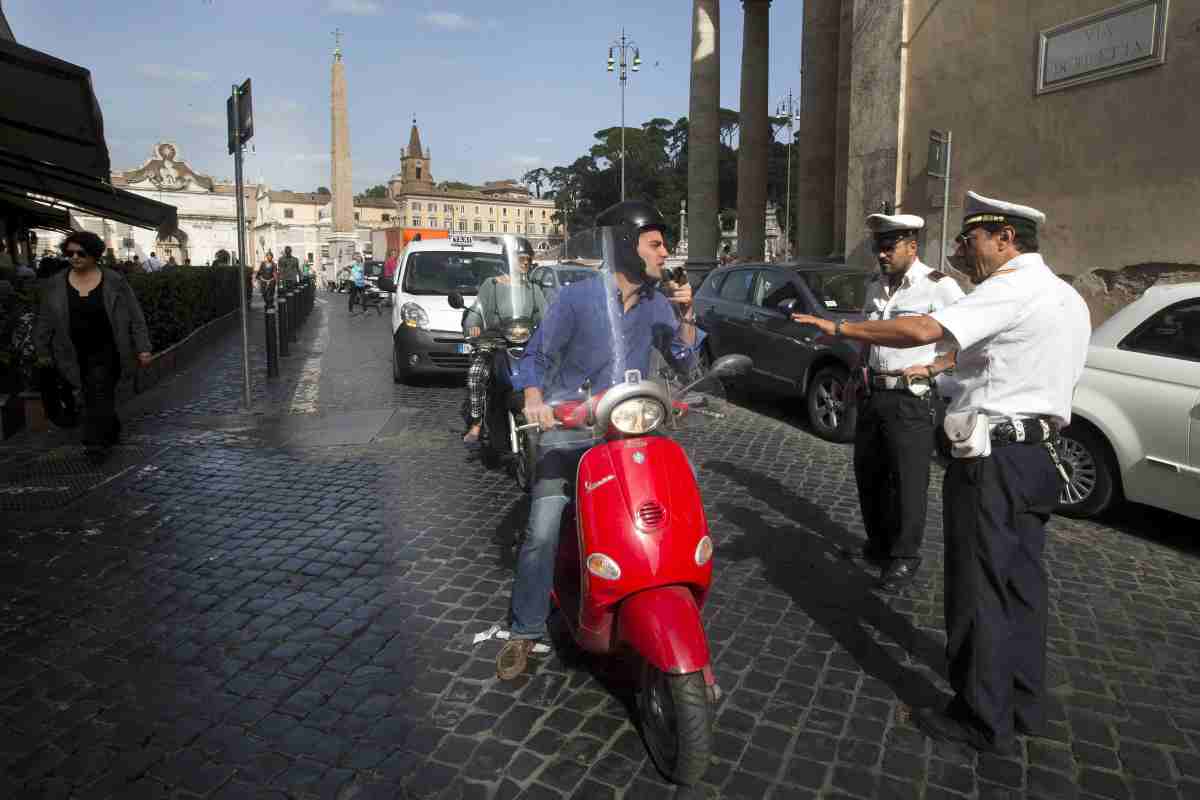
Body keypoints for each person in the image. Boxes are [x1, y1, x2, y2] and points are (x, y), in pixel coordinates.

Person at [792, 191, 1091, 753]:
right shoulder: (1065, 296)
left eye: (971, 238)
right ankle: (1024, 700)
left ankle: (980, 715)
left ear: (1005, 239)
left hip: (995, 460)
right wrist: (943, 370)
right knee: (1023, 585)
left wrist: (840, 331)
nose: (962, 250)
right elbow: (1007, 360)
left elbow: (921, 329)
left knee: (977, 587)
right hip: (1039, 455)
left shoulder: (1011, 287)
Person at [495, 201, 701, 680]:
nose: (664, 252)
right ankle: (525, 631)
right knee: (544, 526)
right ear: (629, 246)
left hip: (629, 433)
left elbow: (685, 362)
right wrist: (534, 400)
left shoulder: (656, 303)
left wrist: (687, 313)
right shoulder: (577, 298)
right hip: (570, 431)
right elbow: (538, 357)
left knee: (681, 491)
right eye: (656, 244)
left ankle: (665, 597)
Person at [849, 213, 964, 591]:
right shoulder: (875, 286)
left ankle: (904, 556)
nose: (880, 254)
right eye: (876, 247)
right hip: (873, 392)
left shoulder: (939, 287)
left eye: (888, 246)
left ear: (912, 246)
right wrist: (856, 368)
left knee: (908, 479)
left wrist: (936, 368)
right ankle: (879, 544)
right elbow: (867, 333)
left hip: (910, 398)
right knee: (870, 474)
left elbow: (969, 338)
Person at [34, 231, 152, 464]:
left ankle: (94, 443)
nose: (75, 257)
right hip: (71, 350)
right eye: (70, 253)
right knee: (90, 393)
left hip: (109, 348)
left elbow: (135, 315)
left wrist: (143, 347)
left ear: (94, 255)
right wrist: (42, 351)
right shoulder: (55, 285)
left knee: (98, 389)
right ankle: (111, 426)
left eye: (81, 253)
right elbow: (45, 320)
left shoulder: (115, 281)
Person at [462, 238, 547, 444]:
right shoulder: (492, 285)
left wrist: (553, 329)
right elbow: (476, 309)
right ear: (508, 260)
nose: (525, 263)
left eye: (528, 259)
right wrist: (473, 324)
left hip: (526, 343)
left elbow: (546, 315)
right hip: (495, 341)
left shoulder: (533, 289)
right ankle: (476, 423)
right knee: (477, 373)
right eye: (520, 259)